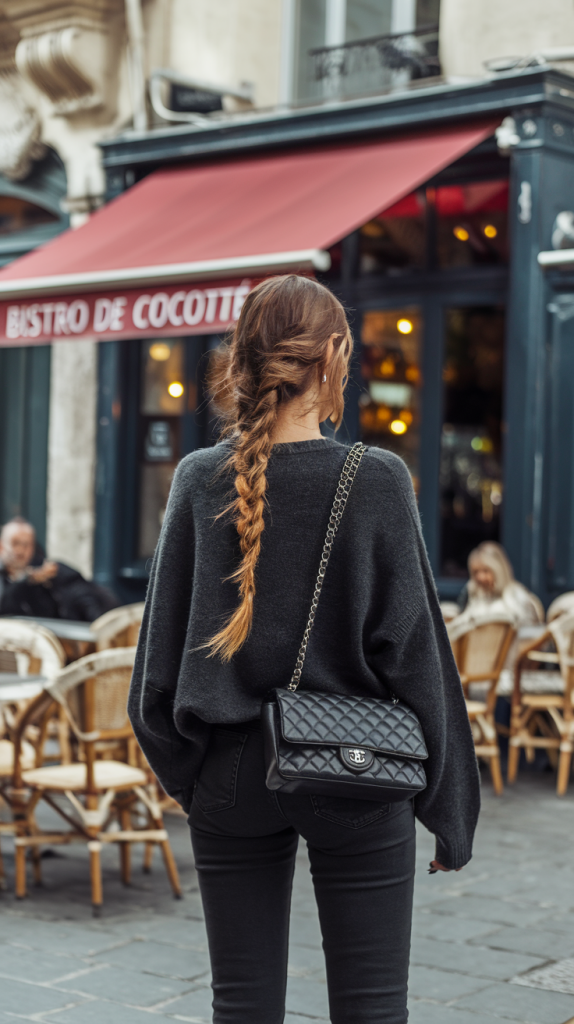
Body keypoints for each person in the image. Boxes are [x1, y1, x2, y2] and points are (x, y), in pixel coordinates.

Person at [128, 275, 480, 1024]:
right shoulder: (377, 479)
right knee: (372, 1010)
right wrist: (450, 810)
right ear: (333, 358)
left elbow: (154, 673)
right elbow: (418, 658)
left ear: (243, 362)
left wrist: (193, 781)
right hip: (358, 767)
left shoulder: (196, 480)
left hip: (228, 771)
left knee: (244, 1006)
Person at [0, 517, 118, 622]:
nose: (20, 551)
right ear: (2, 546)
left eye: (26, 545)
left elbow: (84, 595)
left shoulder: (51, 572)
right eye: (15, 543)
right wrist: (27, 580)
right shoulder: (9, 579)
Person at [455, 541, 544, 627]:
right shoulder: (473, 595)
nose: (480, 577)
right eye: (476, 572)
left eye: (486, 571)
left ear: (498, 570)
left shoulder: (516, 597)